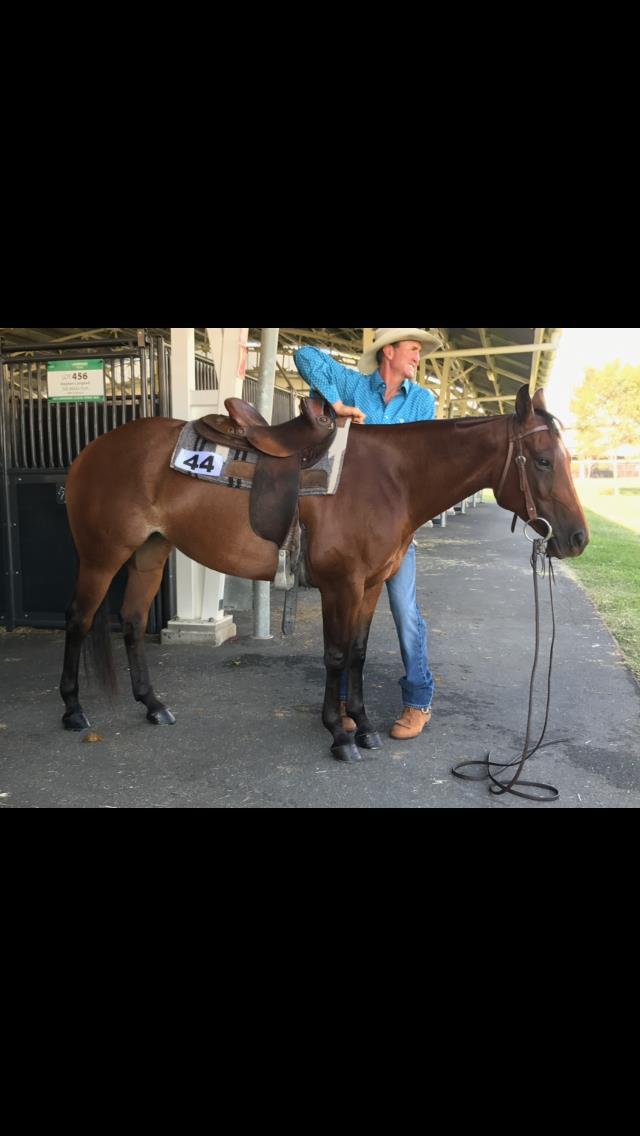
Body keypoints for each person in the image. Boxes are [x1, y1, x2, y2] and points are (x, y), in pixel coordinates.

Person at [294, 328, 441, 740]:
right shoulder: (353, 386)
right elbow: (304, 354)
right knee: (350, 610)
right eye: (413, 349)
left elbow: (423, 466)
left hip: (396, 533)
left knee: (405, 613)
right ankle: (343, 701)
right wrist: (337, 404)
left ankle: (418, 701)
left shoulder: (422, 401)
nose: (418, 357)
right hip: (355, 533)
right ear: (388, 351)